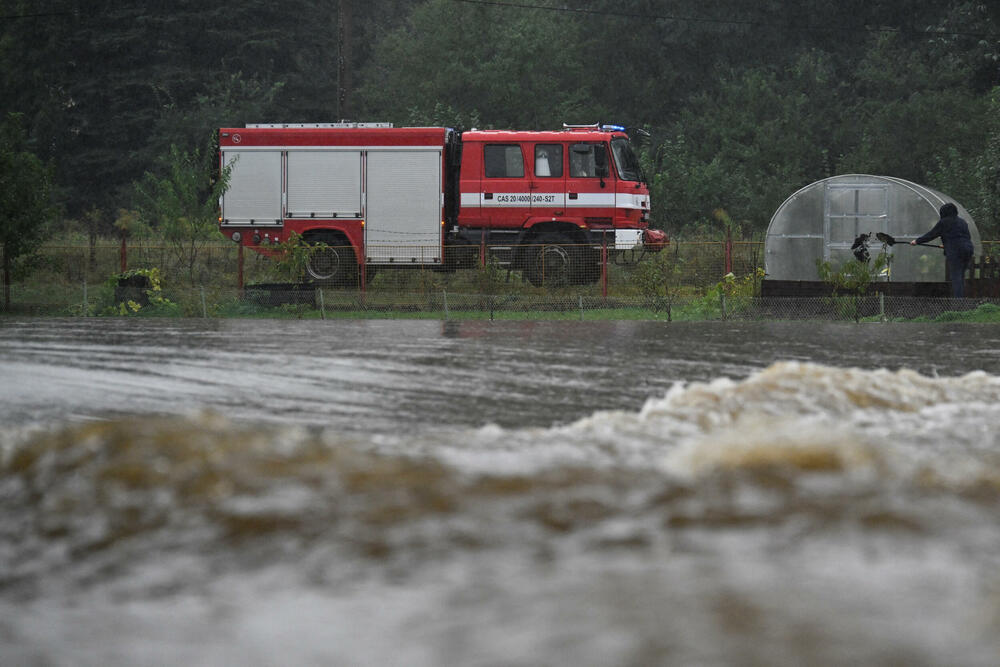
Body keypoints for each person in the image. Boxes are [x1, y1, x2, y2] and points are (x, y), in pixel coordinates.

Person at [911, 202, 974, 298]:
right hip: (967, 249)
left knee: (956, 277)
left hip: (956, 251)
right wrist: (947, 245)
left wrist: (917, 241)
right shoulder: (962, 222)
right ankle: (962, 300)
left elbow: (932, 234)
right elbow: (963, 237)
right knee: (961, 276)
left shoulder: (944, 222)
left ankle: (959, 302)